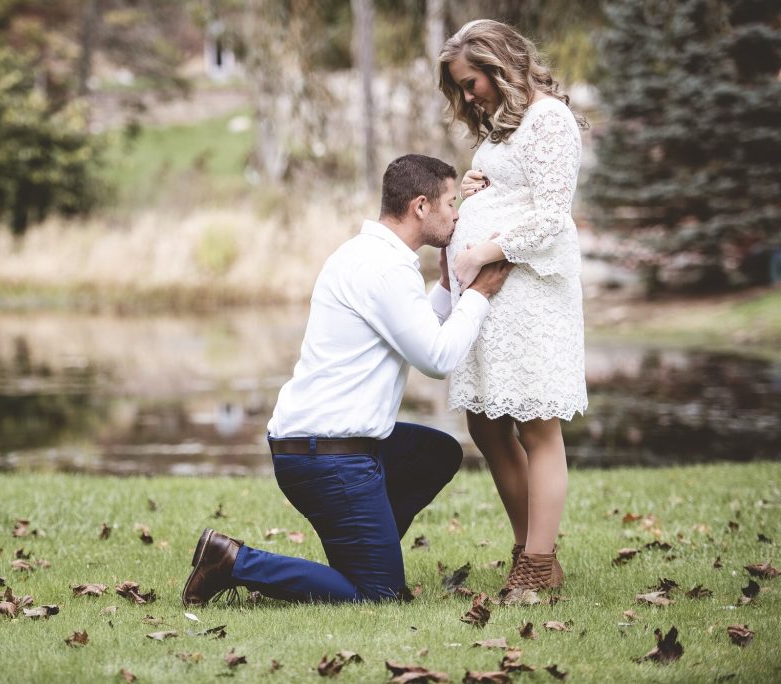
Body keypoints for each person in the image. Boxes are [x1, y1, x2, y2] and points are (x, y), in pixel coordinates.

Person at [181, 154, 513, 606]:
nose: (457, 214)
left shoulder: (366, 255)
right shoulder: (384, 269)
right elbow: (437, 357)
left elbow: (413, 335)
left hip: (324, 444)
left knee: (436, 453)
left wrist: (444, 285)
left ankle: (361, 551)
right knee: (378, 596)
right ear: (421, 206)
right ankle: (233, 561)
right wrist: (478, 294)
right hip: (327, 458)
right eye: (451, 203)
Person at [437, 19, 589, 600]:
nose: (468, 96)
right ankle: (532, 552)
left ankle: (535, 562)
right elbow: (513, 189)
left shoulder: (550, 120)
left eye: (471, 82)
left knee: (535, 425)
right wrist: (474, 188)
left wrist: (482, 250)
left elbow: (551, 214)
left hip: (528, 289)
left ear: (499, 66)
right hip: (495, 295)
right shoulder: (503, 125)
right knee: (486, 422)